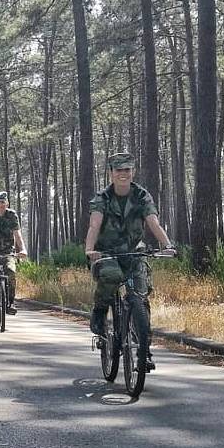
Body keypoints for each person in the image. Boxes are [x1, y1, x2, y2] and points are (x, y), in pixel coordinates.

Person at [84, 152, 175, 366]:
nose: (123, 174)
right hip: (107, 253)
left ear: (132, 172)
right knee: (112, 276)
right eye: (119, 170)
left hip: (134, 252)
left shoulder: (142, 196)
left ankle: (144, 351)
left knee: (141, 297)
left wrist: (168, 245)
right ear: (111, 173)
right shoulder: (102, 198)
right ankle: (99, 311)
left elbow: (153, 223)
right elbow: (94, 225)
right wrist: (90, 249)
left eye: (127, 170)